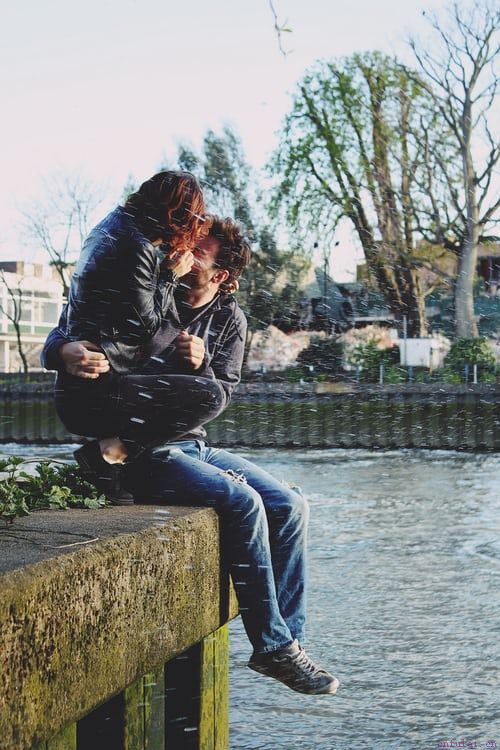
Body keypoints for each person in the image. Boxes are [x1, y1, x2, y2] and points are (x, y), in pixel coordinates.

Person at [41, 216, 340, 696]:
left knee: (290, 505)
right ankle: (272, 646)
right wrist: (62, 353)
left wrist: (200, 365)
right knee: (243, 503)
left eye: (198, 250)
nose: (181, 251)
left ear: (222, 277)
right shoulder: (146, 290)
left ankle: (287, 643)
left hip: (191, 442)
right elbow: (65, 328)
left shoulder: (229, 320)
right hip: (145, 449)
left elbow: (219, 396)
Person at [54, 171, 224, 502]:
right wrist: (169, 277)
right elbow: (145, 330)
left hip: (77, 389)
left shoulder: (106, 229)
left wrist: (57, 351)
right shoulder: (136, 246)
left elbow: (80, 313)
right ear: (176, 216)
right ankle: (109, 455)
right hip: (97, 394)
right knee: (211, 396)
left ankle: (116, 459)